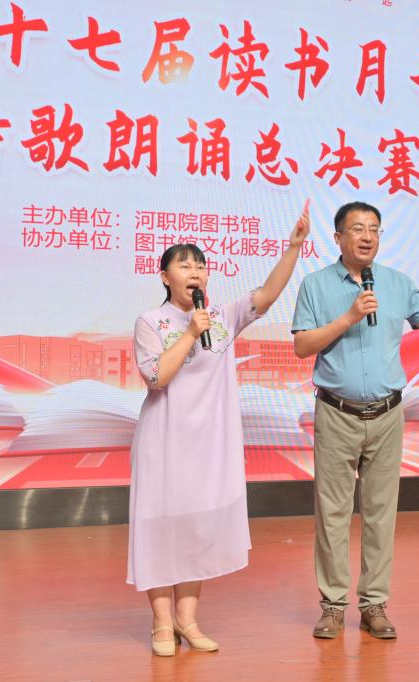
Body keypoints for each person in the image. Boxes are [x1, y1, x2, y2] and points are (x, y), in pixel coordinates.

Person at [291, 201, 419, 640]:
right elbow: (303, 346)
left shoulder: (398, 284)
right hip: (336, 413)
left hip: (387, 415)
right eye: (357, 229)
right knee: (332, 514)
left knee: (380, 515)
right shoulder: (315, 285)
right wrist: (349, 317)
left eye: (374, 229)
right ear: (338, 238)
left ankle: (374, 605)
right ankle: (332, 606)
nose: (367, 236)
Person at [128, 203, 310, 656]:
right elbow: (157, 377)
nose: (195, 272)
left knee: (197, 527)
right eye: (184, 265)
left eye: (200, 266)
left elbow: (267, 295)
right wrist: (191, 332)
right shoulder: (150, 322)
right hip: (164, 442)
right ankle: (161, 624)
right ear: (165, 276)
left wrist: (292, 248)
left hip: (209, 445)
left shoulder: (224, 317)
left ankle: (188, 620)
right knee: (160, 528)